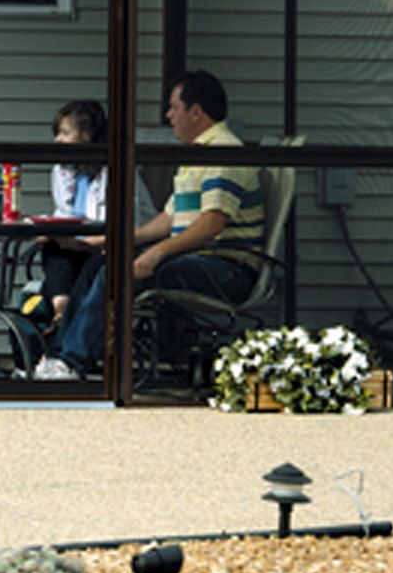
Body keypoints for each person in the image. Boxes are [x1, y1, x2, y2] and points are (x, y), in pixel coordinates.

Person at [34, 70, 264, 380]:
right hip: (199, 261)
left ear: (196, 112)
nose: (168, 116)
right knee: (101, 263)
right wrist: (113, 242)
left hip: (226, 269)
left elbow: (212, 223)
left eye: (173, 108)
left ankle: (73, 362)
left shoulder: (223, 153)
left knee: (119, 271)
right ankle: (58, 356)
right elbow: (168, 220)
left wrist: (155, 254)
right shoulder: (198, 154)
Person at [34, 101, 157, 330]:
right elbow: (63, 213)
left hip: (112, 252)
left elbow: (133, 229)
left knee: (75, 268)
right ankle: (61, 307)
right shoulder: (63, 170)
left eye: (64, 133)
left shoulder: (118, 173)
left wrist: (85, 243)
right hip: (78, 248)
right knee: (53, 249)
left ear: (87, 135)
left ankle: (61, 320)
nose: (57, 141)